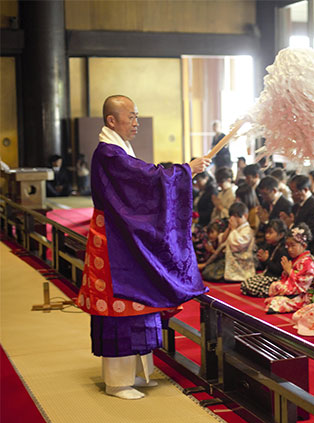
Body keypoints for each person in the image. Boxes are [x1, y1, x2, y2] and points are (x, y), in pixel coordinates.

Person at [75, 95, 210, 400]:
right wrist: (187, 170)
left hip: (124, 237)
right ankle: (117, 382)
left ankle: (137, 372)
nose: (136, 122)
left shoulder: (117, 149)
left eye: (137, 116)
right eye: (131, 117)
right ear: (112, 120)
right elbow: (147, 179)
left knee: (139, 303)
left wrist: (187, 171)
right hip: (114, 242)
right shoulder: (109, 153)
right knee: (119, 308)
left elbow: (145, 180)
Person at [265, 224, 314, 314]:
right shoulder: (297, 259)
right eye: (288, 246)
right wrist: (286, 272)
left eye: (292, 246)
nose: (289, 249)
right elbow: (288, 279)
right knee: (275, 287)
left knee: (278, 301)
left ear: (304, 245)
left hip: (303, 295)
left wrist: (289, 271)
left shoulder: (308, 262)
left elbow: (303, 285)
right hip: (294, 291)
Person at [282, 174, 314, 259]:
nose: (292, 195)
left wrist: (291, 225)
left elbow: (310, 233)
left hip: (313, 251)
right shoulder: (296, 206)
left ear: (305, 190)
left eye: (294, 192)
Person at [241, 219, 288, 297]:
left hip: (276, 278)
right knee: (245, 283)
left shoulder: (283, 250)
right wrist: (262, 260)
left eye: (270, 233)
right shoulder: (270, 245)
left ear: (281, 235)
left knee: (251, 287)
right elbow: (264, 267)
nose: (267, 235)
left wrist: (266, 260)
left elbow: (278, 271)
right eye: (266, 232)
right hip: (267, 275)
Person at [220, 202, 255, 282]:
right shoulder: (235, 228)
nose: (234, 219)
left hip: (242, 262)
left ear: (245, 216)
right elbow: (222, 240)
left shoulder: (247, 230)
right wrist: (229, 229)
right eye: (232, 216)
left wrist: (233, 229)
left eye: (236, 217)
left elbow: (237, 246)